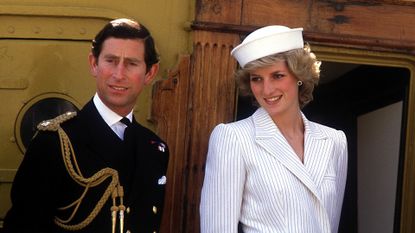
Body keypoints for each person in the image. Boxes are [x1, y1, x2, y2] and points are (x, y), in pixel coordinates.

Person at [3, 18, 169, 233]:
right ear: (94, 64)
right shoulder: (54, 142)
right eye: (110, 60)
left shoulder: (155, 148)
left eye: (131, 63)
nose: (119, 74)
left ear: (149, 73)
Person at [200, 25, 348, 233]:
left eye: (277, 75)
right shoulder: (233, 137)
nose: (267, 90)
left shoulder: (334, 141)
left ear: (299, 75)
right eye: (256, 79)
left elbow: (330, 224)